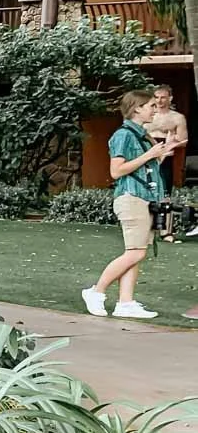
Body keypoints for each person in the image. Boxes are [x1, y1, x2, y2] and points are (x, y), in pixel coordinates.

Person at [81, 89, 184, 319]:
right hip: (132, 198)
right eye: (151, 106)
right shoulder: (124, 135)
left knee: (137, 251)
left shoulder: (143, 135)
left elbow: (145, 168)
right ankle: (96, 291)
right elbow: (116, 171)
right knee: (135, 253)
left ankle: (125, 303)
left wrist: (162, 152)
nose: (155, 110)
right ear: (137, 108)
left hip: (145, 198)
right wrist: (149, 155)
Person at [147, 85, 186, 198]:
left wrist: (168, 145)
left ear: (170, 98)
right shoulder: (147, 114)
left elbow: (183, 140)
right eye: (156, 97)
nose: (159, 100)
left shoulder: (177, 117)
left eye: (163, 97)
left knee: (164, 188)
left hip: (166, 153)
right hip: (146, 152)